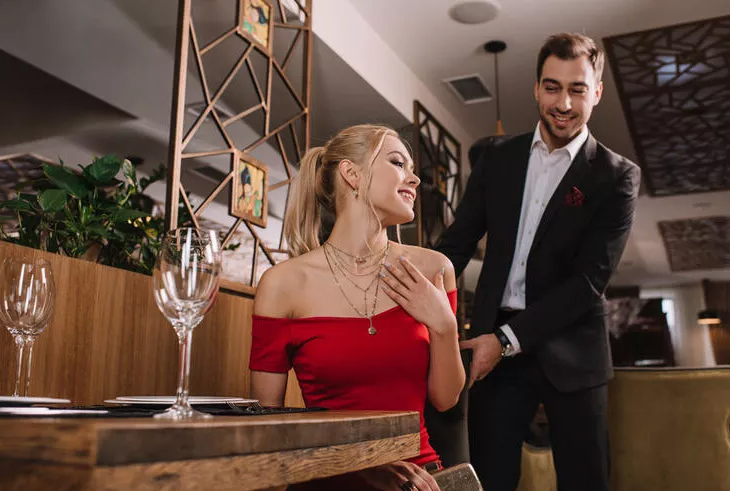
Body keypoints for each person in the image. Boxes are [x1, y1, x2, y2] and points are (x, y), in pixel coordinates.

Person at [436, 33, 641, 491]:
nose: (563, 103)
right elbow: (456, 244)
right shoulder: (496, 158)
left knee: (585, 482)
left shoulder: (617, 177)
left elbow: (588, 282)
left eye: (577, 90)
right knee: (488, 479)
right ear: (536, 88)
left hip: (573, 353)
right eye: (552, 88)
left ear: (597, 92)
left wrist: (505, 340)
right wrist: (412, 295)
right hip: (492, 353)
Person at [250, 124, 466, 491]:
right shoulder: (282, 284)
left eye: (413, 169)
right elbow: (267, 428)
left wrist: (445, 326)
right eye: (398, 162)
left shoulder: (434, 269)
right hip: (327, 479)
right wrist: (363, 465)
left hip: (419, 481)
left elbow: (445, 399)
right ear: (352, 174)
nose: (415, 179)